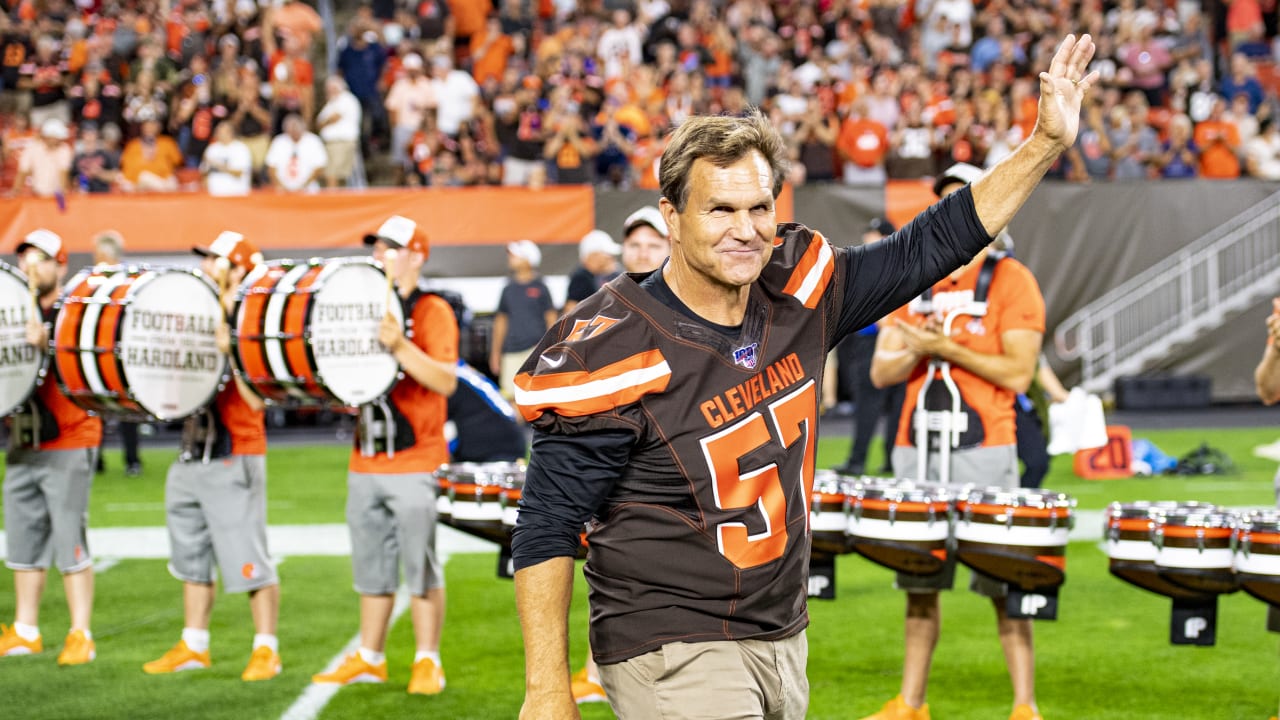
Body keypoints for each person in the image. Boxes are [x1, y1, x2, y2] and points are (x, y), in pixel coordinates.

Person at [511, 34, 1099, 720]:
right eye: (720, 210)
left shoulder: (798, 287)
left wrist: (1044, 144)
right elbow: (548, 523)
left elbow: (931, 244)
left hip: (781, 630)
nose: (746, 230)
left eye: (759, 208)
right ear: (671, 218)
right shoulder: (613, 347)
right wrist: (547, 689)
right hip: (669, 640)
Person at [864, 162, 1048, 720]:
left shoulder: (1011, 278)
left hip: (985, 446)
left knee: (1004, 582)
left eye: (967, 201)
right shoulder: (915, 282)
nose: (957, 215)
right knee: (920, 582)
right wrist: (922, 348)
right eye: (947, 204)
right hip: (914, 446)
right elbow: (879, 371)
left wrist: (944, 349)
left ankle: (1024, 705)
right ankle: (911, 702)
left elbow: (1018, 375)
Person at [312, 216, 458, 695]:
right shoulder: (359, 307)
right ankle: (370, 656)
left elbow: (445, 380)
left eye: (390, 248)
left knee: (419, 566)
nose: (379, 256)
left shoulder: (432, 309)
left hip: (415, 458)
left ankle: (427, 658)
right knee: (371, 568)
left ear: (416, 255)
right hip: (366, 456)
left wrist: (399, 345)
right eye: (377, 248)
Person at [142, 231, 281, 682]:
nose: (208, 269)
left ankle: (266, 648)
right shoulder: (199, 314)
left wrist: (233, 351)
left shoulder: (252, 321)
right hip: (191, 450)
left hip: (235, 451)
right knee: (191, 556)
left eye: (218, 262)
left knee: (249, 556)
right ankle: (194, 643)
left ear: (240, 271)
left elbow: (259, 401)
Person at [568, 205, 671, 706]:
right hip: (611, 459)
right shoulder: (600, 308)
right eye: (635, 244)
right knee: (604, 564)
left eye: (653, 244)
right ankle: (596, 667)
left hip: (668, 463)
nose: (643, 252)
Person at [0, 229, 103, 665]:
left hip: (69, 437)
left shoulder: (73, 311)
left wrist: (51, 345)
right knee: (22, 539)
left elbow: (91, 365)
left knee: (69, 540)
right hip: (23, 438)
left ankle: (82, 633)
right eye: (25, 258)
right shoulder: (10, 309)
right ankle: (26, 629)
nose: (30, 266)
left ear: (59, 265)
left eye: (41, 259)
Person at [833, 217, 906, 477]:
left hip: (883, 339)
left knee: (881, 404)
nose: (868, 242)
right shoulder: (899, 267)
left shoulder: (889, 268)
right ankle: (889, 459)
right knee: (890, 403)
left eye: (874, 236)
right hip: (879, 339)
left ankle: (863, 460)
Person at [91, 230, 142, 476]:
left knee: (109, 407)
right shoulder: (130, 280)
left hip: (109, 352)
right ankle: (129, 460)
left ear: (103, 254)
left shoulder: (105, 281)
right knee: (120, 408)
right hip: (118, 352)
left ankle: (104, 459)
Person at [489, 239, 556, 400]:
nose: (510, 259)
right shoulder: (507, 288)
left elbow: (551, 319)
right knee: (511, 397)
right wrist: (495, 353)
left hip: (535, 352)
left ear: (528, 260)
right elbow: (501, 321)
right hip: (511, 351)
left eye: (515, 256)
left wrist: (553, 350)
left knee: (537, 396)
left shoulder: (541, 287)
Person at [561, 230, 621, 316]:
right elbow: (570, 310)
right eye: (607, 255)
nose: (611, 259)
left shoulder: (595, 276)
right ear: (593, 255)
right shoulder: (581, 277)